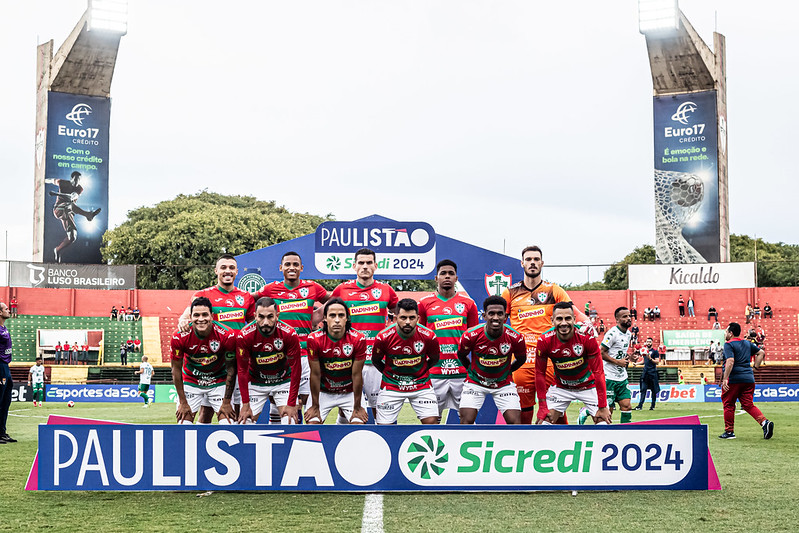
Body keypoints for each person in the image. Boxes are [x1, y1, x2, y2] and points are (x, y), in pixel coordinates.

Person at [501, 246, 586, 425]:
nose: (532, 263)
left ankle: (566, 447)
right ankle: (524, 449)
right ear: (522, 263)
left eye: (536, 259)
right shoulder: (510, 293)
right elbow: (498, 323)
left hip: (549, 361)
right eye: (529, 259)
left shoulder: (554, 290)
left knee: (555, 411)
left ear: (542, 263)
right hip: (521, 362)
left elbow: (576, 315)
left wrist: (587, 325)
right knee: (523, 414)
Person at [178, 254, 256, 422]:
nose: (227, 271)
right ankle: (199, 445)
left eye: (231, 268)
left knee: (233, 409)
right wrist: (182, 321)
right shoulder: (205, 295)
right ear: (216, 271)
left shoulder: (246, 297)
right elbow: (186, 316)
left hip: (239, 361)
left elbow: (252, 324)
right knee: (206, 413)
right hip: (215, 364)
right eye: (223, 267)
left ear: (236, 272)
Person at [253, 251, 329, 413]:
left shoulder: (313, 287)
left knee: (307, 402)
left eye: (295, 264)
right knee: (280, 402)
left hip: (306, 355)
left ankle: (305, 436)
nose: (291, 267)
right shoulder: (271, 289)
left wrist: (317, 317)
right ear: (281, 268)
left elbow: (333, 300)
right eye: (287, 264)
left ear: (301, 268)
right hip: (280, 355)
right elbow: (246, 300)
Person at [331, 248, 398, 420]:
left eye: (369, 263)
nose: (365, 266)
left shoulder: (386, 290)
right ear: (354, 266)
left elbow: (402, 316)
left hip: (376, 360)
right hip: (349, 359)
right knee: (347, 409)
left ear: (375, 266)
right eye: (361, 263)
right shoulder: (342, 290)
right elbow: (328, 318)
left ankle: (383, 442)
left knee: (379, 408)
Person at [418, 259, 479, 421]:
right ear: (436, 278)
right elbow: (419, 338)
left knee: (467, 421)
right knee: (431, 421)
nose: (447, 276)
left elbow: (475, 340)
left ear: (456, 278)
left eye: (451, 273)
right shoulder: (424, 304)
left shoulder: (469, 304)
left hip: (462, 373)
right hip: (434, 373)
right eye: (443, 273)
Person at [534, 302, 611, 425]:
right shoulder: (544, 340)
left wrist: (602, 406)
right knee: (544, 422)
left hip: (588, 386)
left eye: (568, 318)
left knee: (603, 422)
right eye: (559, 319)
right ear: (552, 320)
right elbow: (539, 373)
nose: (564, 323)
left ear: (574, 319)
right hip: (561, 387)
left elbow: (599, 372)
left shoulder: (587, 337)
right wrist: (542, 406)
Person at [457, 296, 526, 424]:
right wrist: (471, 370)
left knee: (515, 423)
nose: (495, 318)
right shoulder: (470, 335)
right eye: (491, 313)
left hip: (503, 384)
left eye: (500, 314)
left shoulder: (516, 337)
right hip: (476, 383)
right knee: (466, 420)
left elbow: (522, 359)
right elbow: (461, 355)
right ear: (484, 316)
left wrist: (508, 371)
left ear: (505, 317)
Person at [371, 298, 440, 425]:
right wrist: (389, 374)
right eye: (403, 318)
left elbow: (435, 359)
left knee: (432, 422)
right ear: (396, 317)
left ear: (418, 318)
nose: (408, 322)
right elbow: (375, 360)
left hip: (421, 384)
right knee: (384, 427)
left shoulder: (429, 336)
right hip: (391, 385)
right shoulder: (383, 337)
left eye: (412, 318)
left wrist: (420, 372)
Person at [171, 297, 237, 424]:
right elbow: (175, 370)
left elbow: (231, 369)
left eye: (205, 315)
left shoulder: (227, 335)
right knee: (183, 424)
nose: (201, 319)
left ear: (212, 316)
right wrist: (183, 402)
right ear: (190, 317)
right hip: (192, 381)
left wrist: (227, 402)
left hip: (218, 381)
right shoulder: (179, 336)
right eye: (196, 315)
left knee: (228, 424)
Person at [236, 297, 302, 424]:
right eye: (261, 317)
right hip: (256, 382)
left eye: (270, 317)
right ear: (254, 315)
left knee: (290, 421)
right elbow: (242, 370)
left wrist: (291, 402)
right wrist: (245, 404)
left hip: (282, 381)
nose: (265, 322)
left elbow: (296, 370)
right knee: (244, 422)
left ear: (277, 315)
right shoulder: (244, 335)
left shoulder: (289, 333)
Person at [304, 298, 369, 424]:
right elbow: (315, 374)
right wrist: (315, 406)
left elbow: (357, 375)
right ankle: (340, 417)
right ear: (324, 318)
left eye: (341, 315)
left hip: (349, 391)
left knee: (358, 424)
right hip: (324, 391)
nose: (337, 320)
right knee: (312, 424)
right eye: (332, 315)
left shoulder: (358, 339)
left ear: (347, 318)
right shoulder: (314, 339)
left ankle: (342, 419)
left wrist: (357, 407)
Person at [719, 322, 773, 440]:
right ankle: (765, 423)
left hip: (734, 379)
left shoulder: (728, 344)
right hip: (748, 378)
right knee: (748, 404)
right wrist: (755, 367)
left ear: (731, 333)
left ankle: (729, 432)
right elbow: (761, 353)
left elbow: (730, 361)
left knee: (728, 404)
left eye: (727, 331)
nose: (725, 334)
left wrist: (725, 379)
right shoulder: (747, 343)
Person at [44, 171, 101, 262]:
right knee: (68, 204)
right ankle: (88, 215)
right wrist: (42, 181)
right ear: (71, 179)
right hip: (59, 209)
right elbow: (51, 180)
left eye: (78, 181)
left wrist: (56, 194)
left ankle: (57, 250)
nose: (76, 183)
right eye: (75, 180)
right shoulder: (62, 182)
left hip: (69, 211)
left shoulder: (79, 188)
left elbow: (71, 197)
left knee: (73, 237)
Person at [590, 306, 633, 424]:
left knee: (627, 406)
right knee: (608, 411)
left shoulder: (628, 334)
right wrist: (618, 362)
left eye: (629, 316)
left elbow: (619, 352)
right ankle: (586, 412)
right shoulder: (612, 333)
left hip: (621, 377)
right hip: (609, 376)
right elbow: (601, 352)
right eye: (625, 317)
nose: (628, 318)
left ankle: (625, 433)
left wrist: (629, 358)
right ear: (617, 319)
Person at [0, 302, 16, 443]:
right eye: (6, 309)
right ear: (0, 312)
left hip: (6, 366)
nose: (9, 310)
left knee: (6, 401)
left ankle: (2, 432)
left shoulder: (3, 328)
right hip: (0, 367)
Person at [635, 337, 661, 410]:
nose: (648, 343)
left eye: (650, 342)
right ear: (646, 343)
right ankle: (640, 406)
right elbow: (644, 361)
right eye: (647, 342)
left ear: (652, 343)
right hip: (645, 373)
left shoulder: (655, 352)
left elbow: (657, 361)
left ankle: (652, 406)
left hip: (653, 373)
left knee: (653, 390)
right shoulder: (644, 351)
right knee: (643, 389)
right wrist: (636, 364)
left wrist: (650, 358)